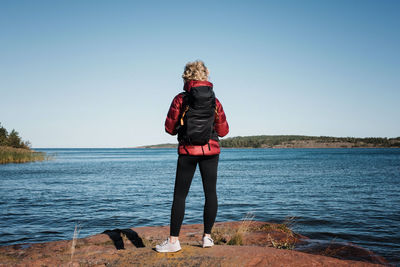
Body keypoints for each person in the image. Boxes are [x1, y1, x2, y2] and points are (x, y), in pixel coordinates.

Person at [156, 60, 229, 253]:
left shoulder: (181, 99)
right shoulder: (215, 100)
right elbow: (223, 131)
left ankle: (173, 242)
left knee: (180, 196)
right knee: (210, 193)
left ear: (187, 77)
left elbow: (169, 128)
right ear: (205, 76)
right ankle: (207, 238)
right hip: (211, 151)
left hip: (187, 152)